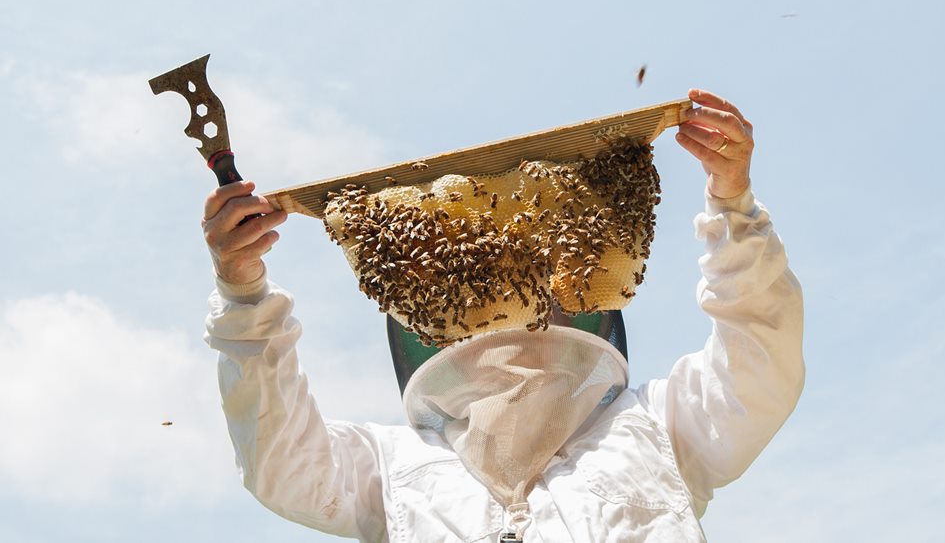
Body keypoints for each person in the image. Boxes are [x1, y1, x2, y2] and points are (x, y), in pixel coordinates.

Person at [201, 89, 805, 542]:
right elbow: (280, 461)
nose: (505, 325)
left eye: (529, 299)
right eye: (476, 306)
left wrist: (734, 208)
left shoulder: (661, 426)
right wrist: (243, 294)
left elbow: (760, 355)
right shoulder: (391, 469)